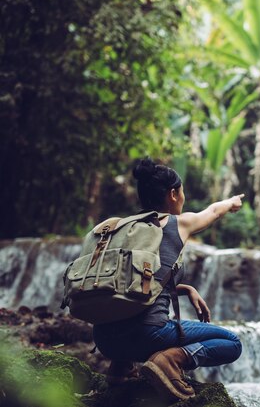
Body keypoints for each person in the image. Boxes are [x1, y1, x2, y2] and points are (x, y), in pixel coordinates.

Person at [92, 157, 243, 401]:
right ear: (173, 194)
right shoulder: (177, 223)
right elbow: (214, 211)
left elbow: (129, 282)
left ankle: (120, 367)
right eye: (182, 192)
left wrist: (185, 288)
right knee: (232, 343)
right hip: (147, 336)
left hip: (105, 340)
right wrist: (232, 202)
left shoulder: (120, 228)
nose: (183, 197)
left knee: (128, 310)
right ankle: (170, 360)